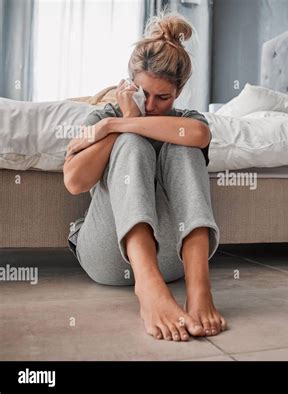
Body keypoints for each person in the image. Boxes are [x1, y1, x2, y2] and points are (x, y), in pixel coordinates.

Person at [63, 10, 226, 342]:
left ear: (178, 94)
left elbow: (199, 136)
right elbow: (75, 181)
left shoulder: (183, 120)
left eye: (162, 97)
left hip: (173, 262)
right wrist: (119, 125)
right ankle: (148, 288)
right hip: (107, 257)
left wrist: (118, 124)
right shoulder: (103, 114)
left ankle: (199, 290)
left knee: (183, 146)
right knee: (132, 143)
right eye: (142, 92)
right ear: (129, 82)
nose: (150, 105)